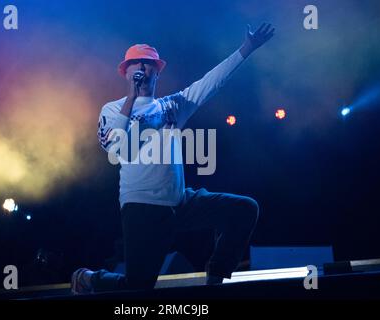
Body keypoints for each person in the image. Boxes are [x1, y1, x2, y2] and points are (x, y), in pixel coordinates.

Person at [72, 23, 275, 294]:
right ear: (126, 72)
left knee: (245, 208)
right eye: (136, 65)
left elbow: (211, 82)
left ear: (157, 72)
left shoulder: (172, 106)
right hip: (143, 207)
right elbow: (118, 150)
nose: (142, 70)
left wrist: (247, 48)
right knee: (138, 288)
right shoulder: (112, 110)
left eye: (148, 65)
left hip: (180, 202)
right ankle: (89, 278)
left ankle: (215, 277)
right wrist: (130, 101)